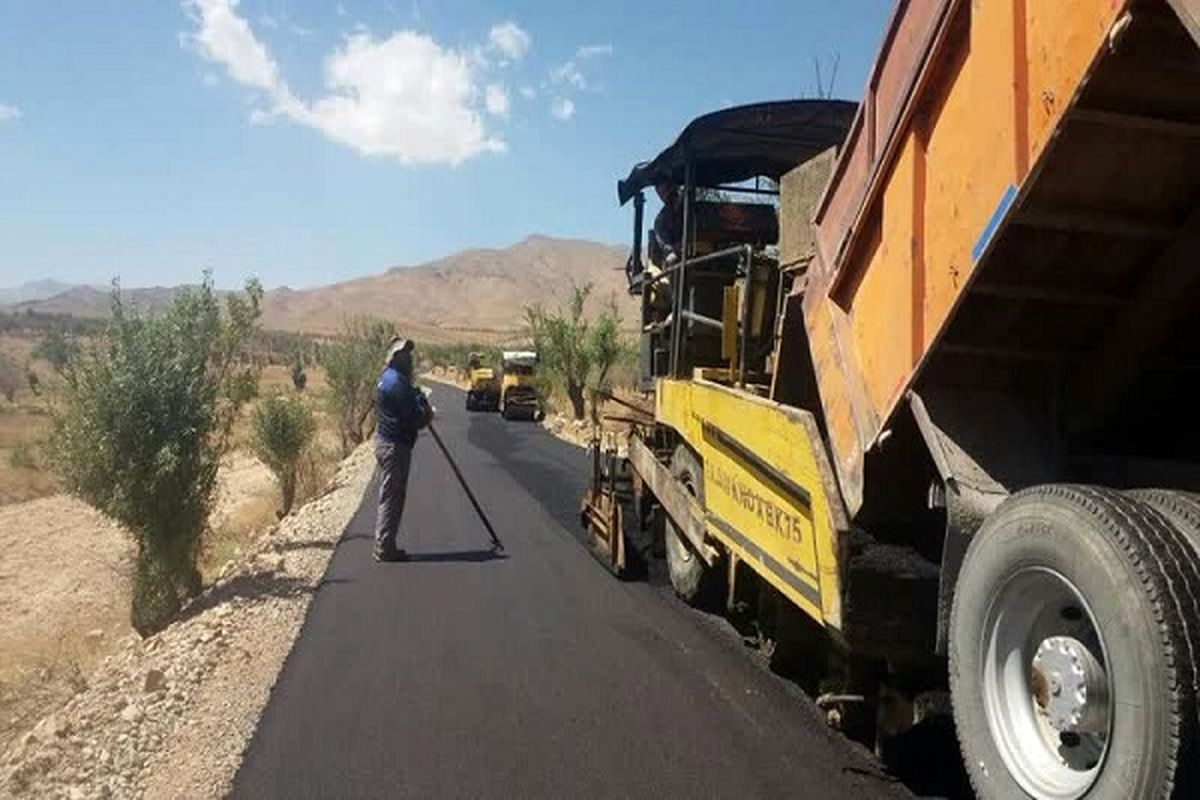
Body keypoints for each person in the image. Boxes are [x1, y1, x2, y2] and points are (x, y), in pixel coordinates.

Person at [373, 336, 433, 562]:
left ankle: (385, 543)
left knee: (390, 494)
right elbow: (415, 419)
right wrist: (426, 412)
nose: (409, 358)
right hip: (394, 446)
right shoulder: (397, 383)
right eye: (404, 354)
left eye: (409, 354)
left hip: (386, 441)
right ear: (395, 358)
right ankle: (384, 547)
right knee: (392, 496)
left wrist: (415, 396)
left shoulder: (388, 378)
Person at [649, 181, 683, 266]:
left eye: (668, 189)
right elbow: (667, 246)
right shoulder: (662, 219)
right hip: (679, 256)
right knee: (672, 259)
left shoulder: (693, 207)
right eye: (661, 192)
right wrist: (674, 249)